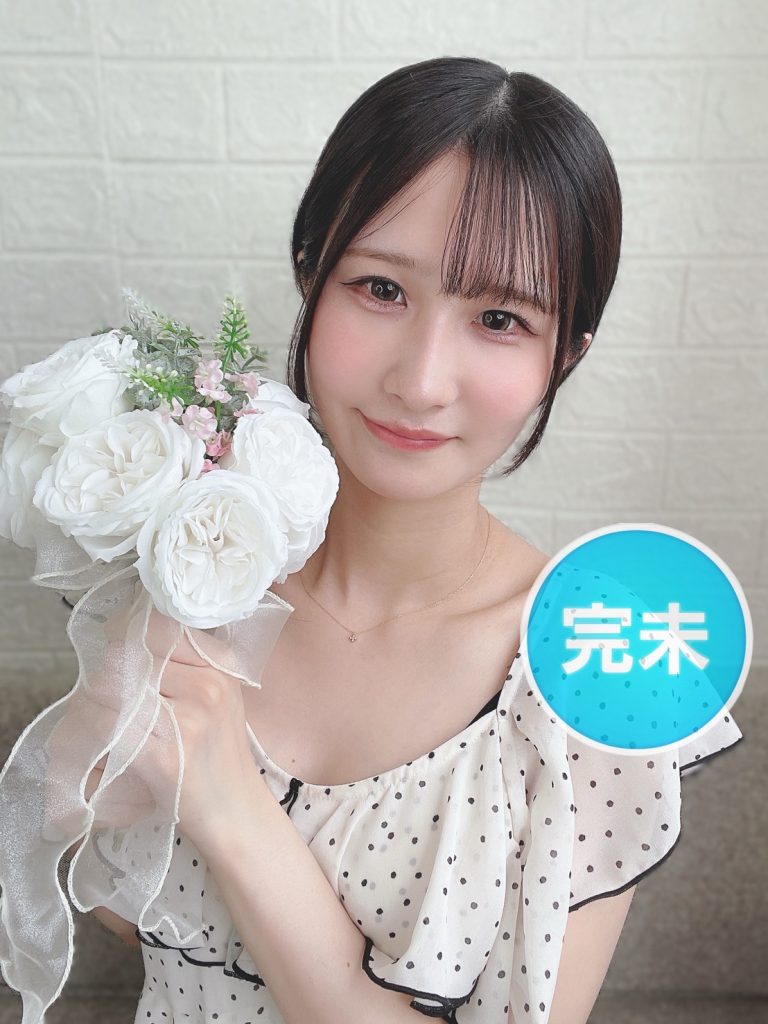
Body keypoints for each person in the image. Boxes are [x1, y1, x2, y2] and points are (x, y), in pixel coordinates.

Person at [89, 56, 743, 1024]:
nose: (422, 380)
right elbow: (119, 915)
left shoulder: (603, 660)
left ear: (566, 353)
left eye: (499, 318)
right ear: (311, 270)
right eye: (381, 289)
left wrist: (230, 809)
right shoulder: (198, 570)